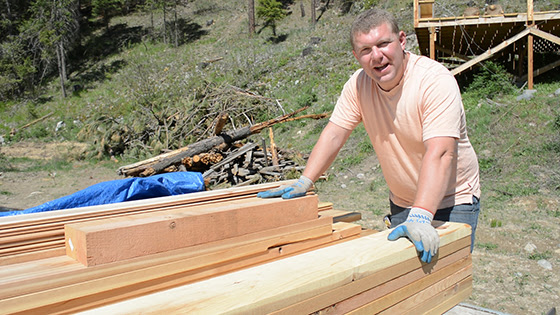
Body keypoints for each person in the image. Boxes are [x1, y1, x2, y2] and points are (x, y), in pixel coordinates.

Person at [258, 9, 480, 263]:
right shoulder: (358, 85)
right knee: (405, 288)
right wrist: (304, 181)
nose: (377, 56)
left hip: (453, 201)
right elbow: (334, 134)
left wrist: (421, 215)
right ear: (356, 56)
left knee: (444, 287)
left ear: (402, 41)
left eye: (383, 44)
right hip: (403, 202)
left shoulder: (433, 81)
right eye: (365, 50)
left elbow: (441, 152)